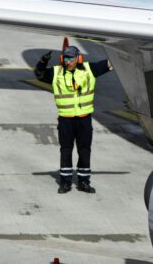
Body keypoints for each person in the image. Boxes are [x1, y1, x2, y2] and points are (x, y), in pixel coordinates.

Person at [35, 43, 113, 194]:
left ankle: (84, 182)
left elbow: (112, 63)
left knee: (84, 150)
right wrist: (43, 61)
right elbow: (39, 74)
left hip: (84, 119)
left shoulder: (90, 70)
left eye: (71, 59)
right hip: (66, 120)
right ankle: (65, 183)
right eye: (66, 59)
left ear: (78, 58)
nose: (68, 62)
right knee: (66, 150)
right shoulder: (56, 72)